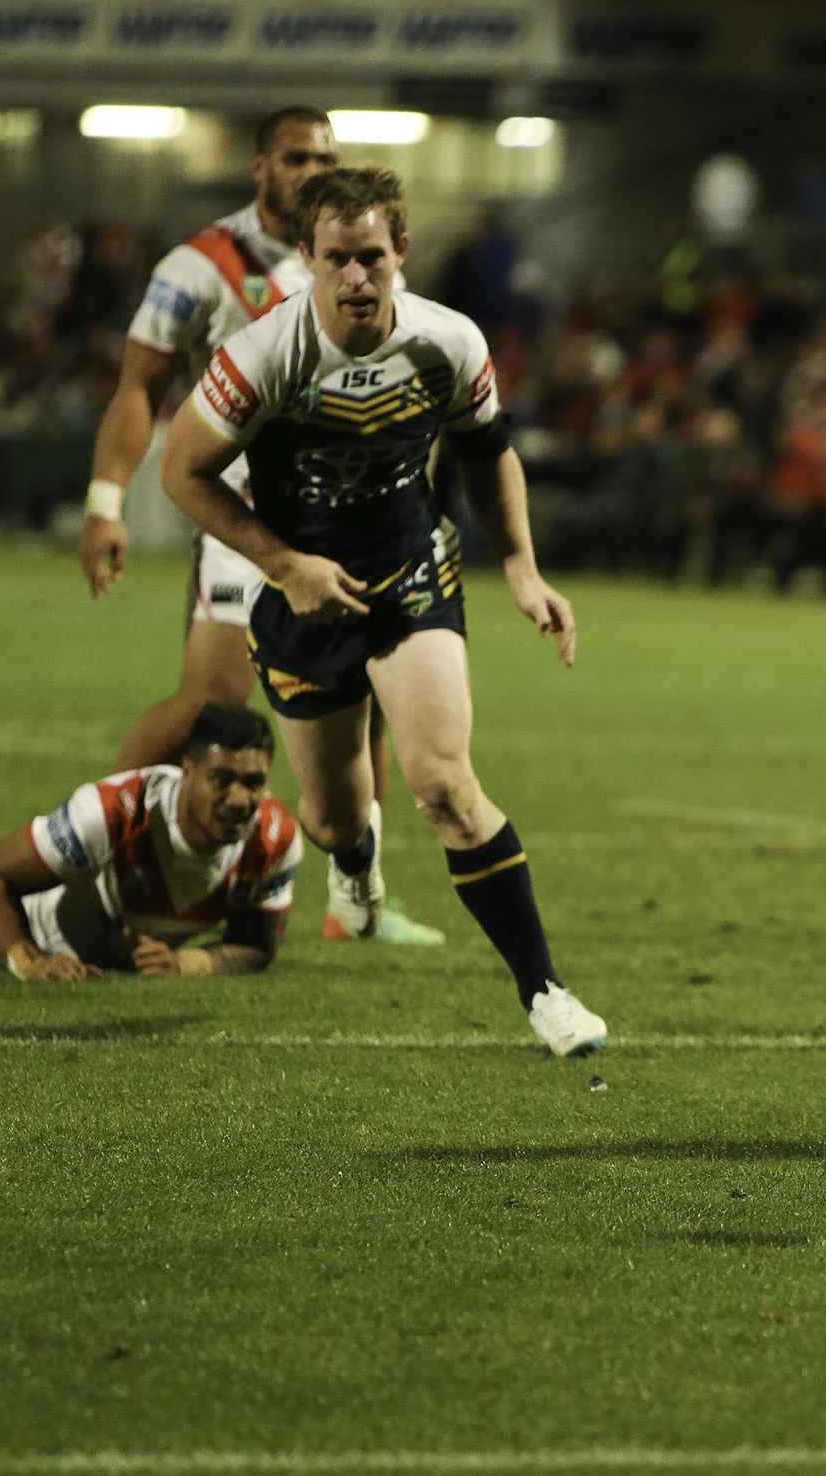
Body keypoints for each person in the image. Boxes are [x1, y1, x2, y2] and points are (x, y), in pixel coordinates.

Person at [154, 166, 608, 1057]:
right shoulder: (260, 357)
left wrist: (520, 565)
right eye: (338, 261)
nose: (356, 277)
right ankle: (356, 868)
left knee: (442, 779)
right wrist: (284, 566)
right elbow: (182, 471)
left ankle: (546, 991)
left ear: (401, 252)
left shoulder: (451, 342)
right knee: (333, 822)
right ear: (309, 261)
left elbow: (488, 451)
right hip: (301, 600)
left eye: (372, 257)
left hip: (411, 578)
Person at [75, 104, 443, 949]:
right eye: (294, 158)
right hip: (243, 516)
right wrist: (106, 501)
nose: (311, 170)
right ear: (259, 167)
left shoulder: (364, 251)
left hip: (353, 517)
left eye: (324, 156)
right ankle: (99, 842)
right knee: (214, 700)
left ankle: (359, 895)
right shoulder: (203, 264)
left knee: (375, 698)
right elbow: (140, 386)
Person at [0, 704, 298, 980]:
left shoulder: (273, 840)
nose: (240, 800)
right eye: (222, 780)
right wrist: (31, 962)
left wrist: (185, 964)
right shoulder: (113, 812)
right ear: (188, 771)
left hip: (89, 954)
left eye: (254, 783)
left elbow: (256, 945)